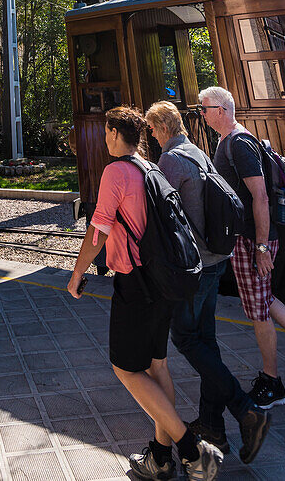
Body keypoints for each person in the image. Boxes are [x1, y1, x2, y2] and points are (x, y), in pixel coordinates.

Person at [68, 107, 223, 481]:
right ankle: (161, 457)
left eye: (106, 133)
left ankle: (192, 450)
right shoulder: (150, 168)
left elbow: (98, 231)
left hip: (135, 285)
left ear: (117, 135)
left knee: (126, 368)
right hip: (164, 282)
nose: (104, 140)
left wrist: (76, 276)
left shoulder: (116, 171)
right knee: (157, 365)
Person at [199, 86, 285, 407]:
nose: (202, 115)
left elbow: (260, 197)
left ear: (221, 110)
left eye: (204, 109)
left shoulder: (239, 143)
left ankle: (273, 382)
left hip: (253, 240)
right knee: (265, 301)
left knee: (258, 311)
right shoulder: (230, 141)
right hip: (248, 238)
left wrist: (261, 247)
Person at [145, 101, 270, 463]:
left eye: (153, 130)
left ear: (162, 128)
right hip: (218, 259)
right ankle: (214, 426)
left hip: (196, 265)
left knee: (185, 338)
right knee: (207, 343)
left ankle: (247, 410)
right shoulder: (197, 150)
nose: (152, 136)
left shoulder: (169, 161)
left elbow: (167, 218)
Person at [68, 126, 109, 276]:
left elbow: (74, 149)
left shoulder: (77, 130)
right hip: (93, 187)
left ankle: (101, 267)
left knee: (97, 228)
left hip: (92, 188)